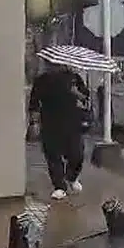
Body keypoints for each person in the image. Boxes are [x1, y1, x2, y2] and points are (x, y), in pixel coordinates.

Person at [28, 60, 89, 200]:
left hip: (72, 122)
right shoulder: (42, 80)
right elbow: (34, 102)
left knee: (77, 153)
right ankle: (59, 186)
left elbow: (85, 96)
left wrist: (77, 93)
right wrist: (34, 123)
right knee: (53, 156)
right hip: (50, 122)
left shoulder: (74, 78)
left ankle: (71, 177)